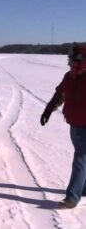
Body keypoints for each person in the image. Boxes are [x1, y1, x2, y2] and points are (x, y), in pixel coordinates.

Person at [40, 44, 86, 208]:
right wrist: (48, 110)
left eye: (73, 59)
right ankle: (83, 188)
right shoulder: (69, 76)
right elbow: (60, 94)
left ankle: (73, 197)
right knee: (83, 157)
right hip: (75, 123)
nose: (70, 62)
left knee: (81, 158)